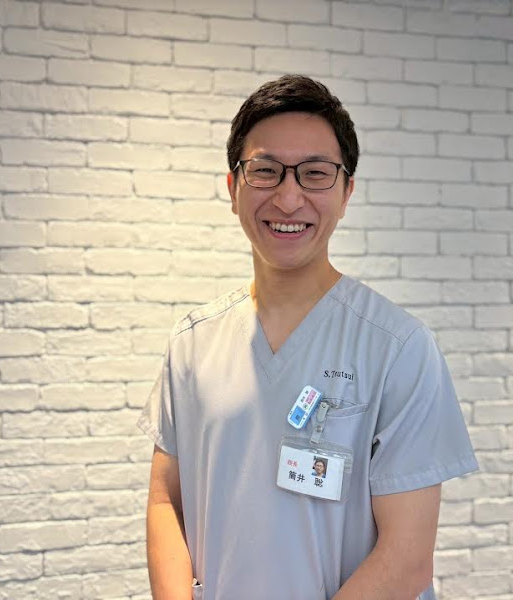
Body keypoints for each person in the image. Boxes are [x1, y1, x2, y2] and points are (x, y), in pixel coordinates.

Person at [140, 74, 478, 600]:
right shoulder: (193, 342)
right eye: (266, 171)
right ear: (233, 188)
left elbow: (408, 558)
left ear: (346, 193)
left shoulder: (397, 349)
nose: (289, 196)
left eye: (315, 174)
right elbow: (166, 502)